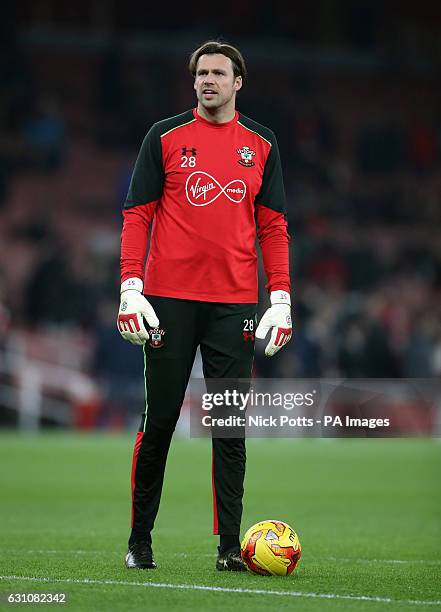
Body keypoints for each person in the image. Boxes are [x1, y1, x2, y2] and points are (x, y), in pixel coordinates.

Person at [117, 40, 292, 571]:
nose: (207, 80)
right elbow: (138, 214)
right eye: (201, 73)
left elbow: (273, 226)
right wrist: (130, 287)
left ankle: (229, 549)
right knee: (161, 421)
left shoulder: (261, 144)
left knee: (229, 426)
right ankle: (139, 541)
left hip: (234, 302)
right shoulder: (165, 137)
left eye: (218, 72)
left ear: (239, 82)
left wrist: (280, 296)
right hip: (168, 300)